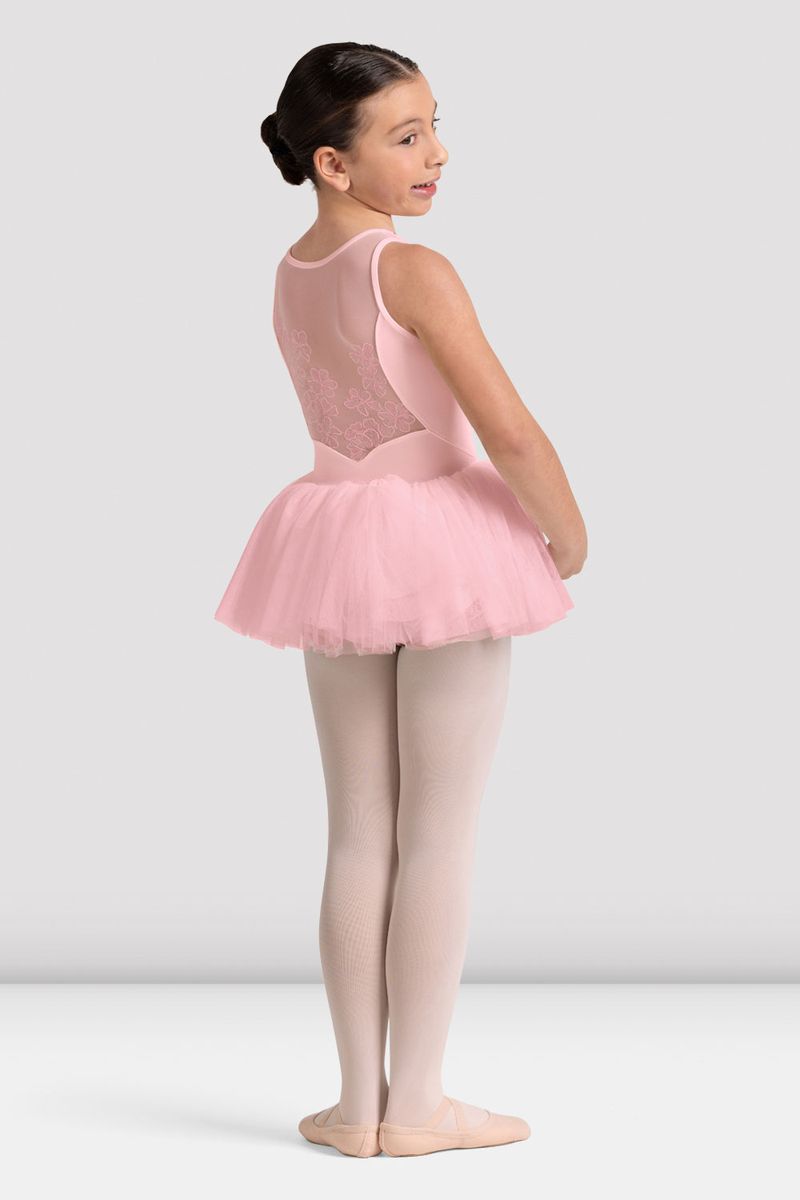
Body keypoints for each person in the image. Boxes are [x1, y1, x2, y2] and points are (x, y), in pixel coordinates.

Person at [214, 42, 588, 1157]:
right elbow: (508, 428)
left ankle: (354, 1107)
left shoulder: (291, 271)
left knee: (356, 831)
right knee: (439, 833)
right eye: (407, 135)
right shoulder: (411, 268)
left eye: (435, 126)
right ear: (332, 162)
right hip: (444, 542)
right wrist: (567, 534)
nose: (438, 154)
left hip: (333, 539)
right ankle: (417, 1105)